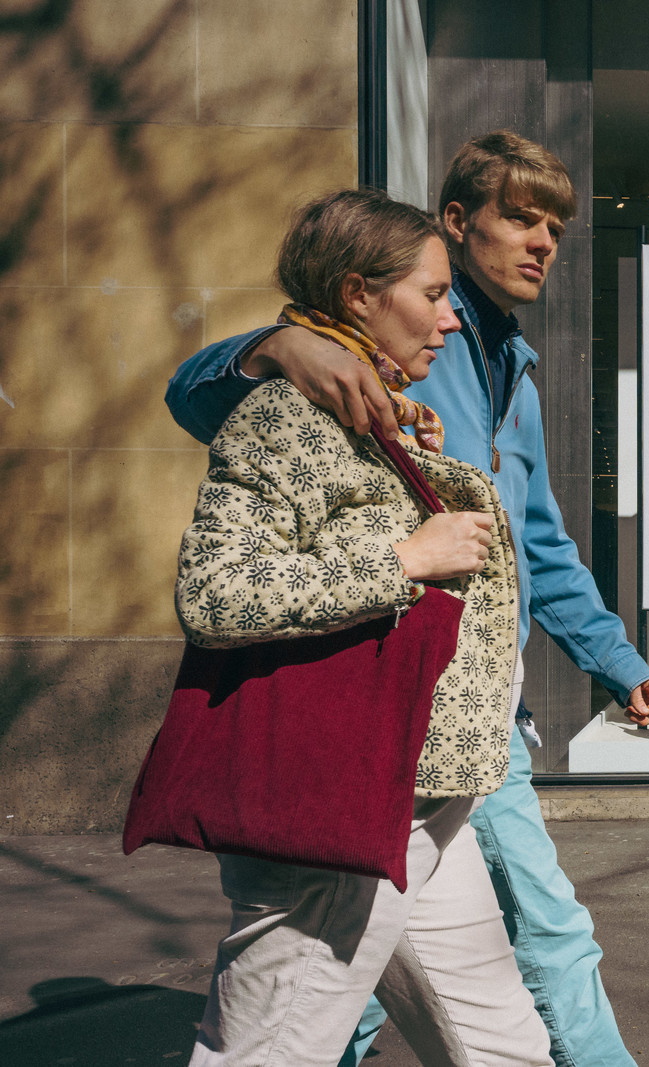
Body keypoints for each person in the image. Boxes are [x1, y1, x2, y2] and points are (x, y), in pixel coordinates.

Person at [166, 131, 649, 1067]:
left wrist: (616, 659)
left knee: (452, 1009)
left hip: (464, 730)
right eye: (521, 216)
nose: (543, 241)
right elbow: (206, 424)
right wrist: (278, 346)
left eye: (556, 224)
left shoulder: (503, 372)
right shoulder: (330, 366)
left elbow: (540, 548)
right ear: (453, 224)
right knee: (490, 953)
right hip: (373, 736)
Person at [179, 189, 552, 1065]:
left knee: (501, 1041)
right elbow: (216, 591)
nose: (451, 319)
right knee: (269, 1047)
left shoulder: (376, 417)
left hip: (422, 797)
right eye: (431, 294)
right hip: (341, 803)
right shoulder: (285, 418)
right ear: (358, 295)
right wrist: (403, 560)